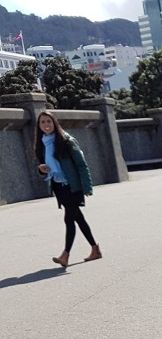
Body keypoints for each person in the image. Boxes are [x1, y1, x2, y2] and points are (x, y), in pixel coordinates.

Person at [35, 110, 102, 270]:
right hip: (58, 185)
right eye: (43, 122)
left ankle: (65, 254)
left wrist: (87, 186)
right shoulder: (42, 144)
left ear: (54, 123)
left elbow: (81, 164)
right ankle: (95, 249)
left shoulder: (67, 141)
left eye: (49, 122)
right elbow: (43, 165)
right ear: (39, 126)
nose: (46, 125)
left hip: (72, 185)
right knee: (78, 218)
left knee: (69, 219)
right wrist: (41, 169)